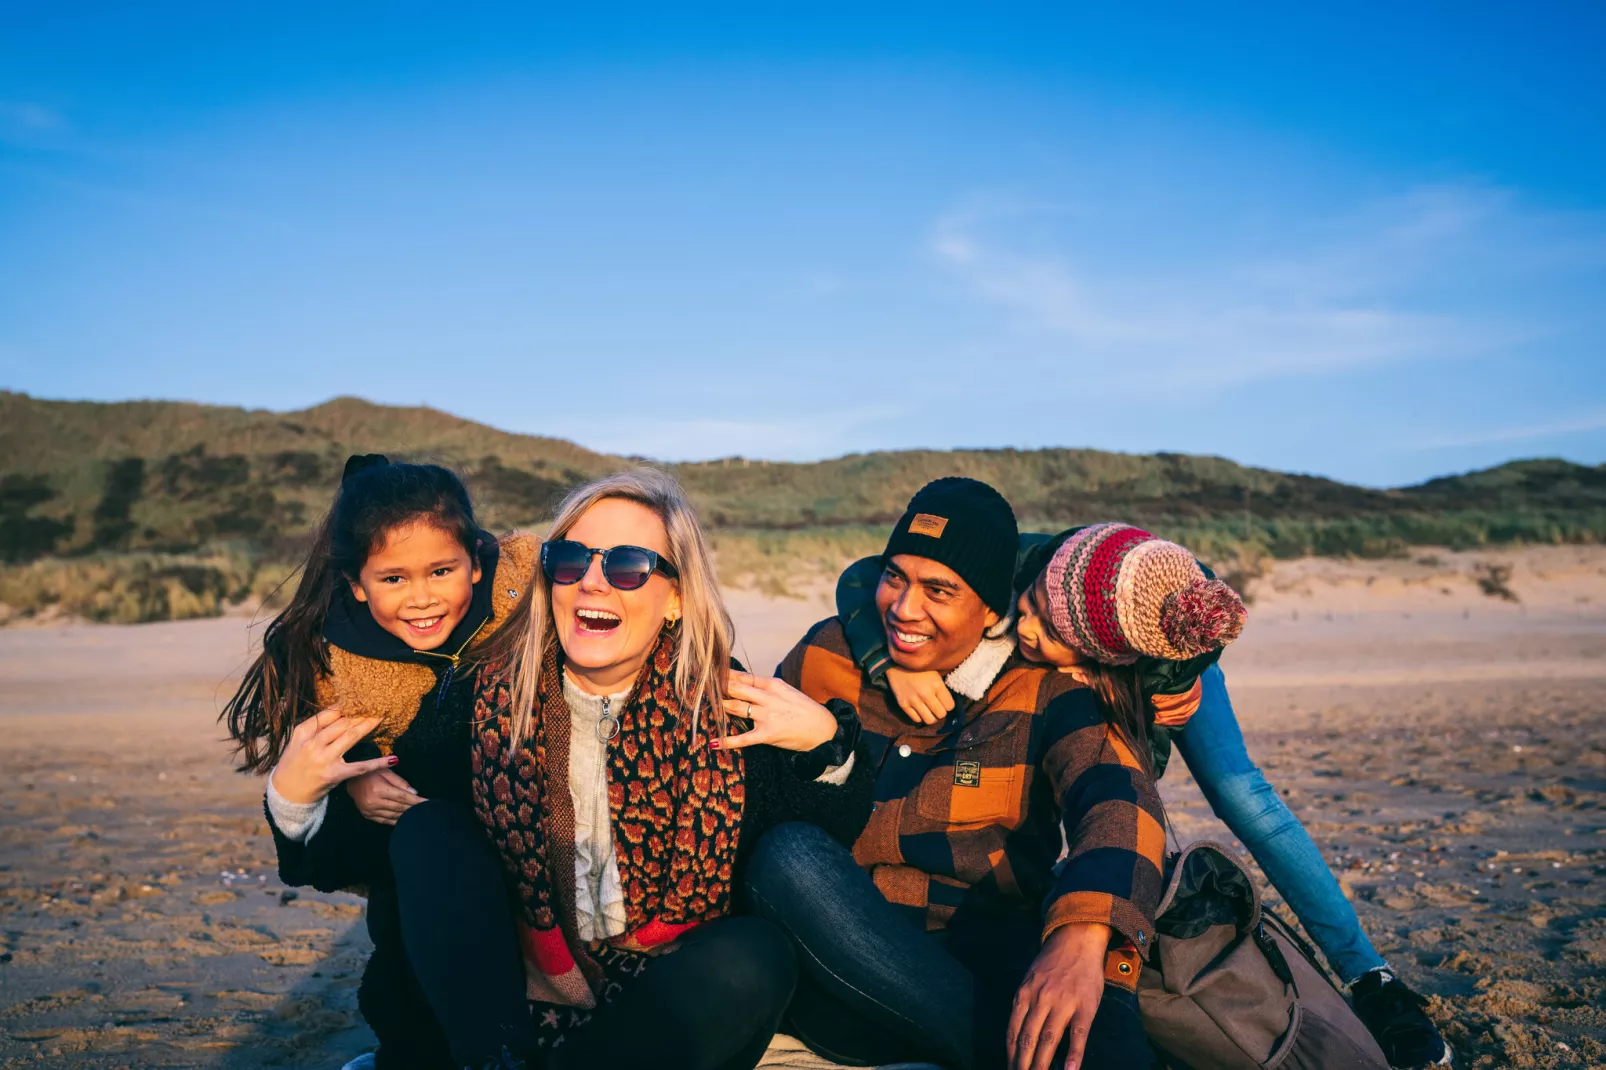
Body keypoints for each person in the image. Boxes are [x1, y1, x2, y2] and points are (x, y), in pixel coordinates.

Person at [836, 523, 1452, 1070]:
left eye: (1048, 631)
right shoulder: (1026, 564)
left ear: (1098, 660)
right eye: (1030, 607)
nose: (1024, 626)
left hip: (1150, 660)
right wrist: (890, 666)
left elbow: (1130, 783)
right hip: (1099, 611)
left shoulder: (1166, 669)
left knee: (1243, 798)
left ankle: (1373, 980)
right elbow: (862, 577)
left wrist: (1173, 686)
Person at [387, 469, 875, 1070]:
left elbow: (824, 838)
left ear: (675, 597)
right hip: (511, 1004)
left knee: (757, 954)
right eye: (569, 559)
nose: (592, 582)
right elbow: (371, 854)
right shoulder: (486, 695)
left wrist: (829, 745)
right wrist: (302, 798)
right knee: (429, 831)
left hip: (658, 1009)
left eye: (626, 566)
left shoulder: (723, 702)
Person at [747, 477, 1167, 1070]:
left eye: (938, 590)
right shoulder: (831, 652)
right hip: (845, 960)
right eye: (896, 576)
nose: (904, 608)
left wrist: (1084, 930)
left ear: (994, 608)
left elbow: (1118, 797)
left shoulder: (1044, 689)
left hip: (991, 948)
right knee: (789, 857)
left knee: (1088, 1018)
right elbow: (749, 788)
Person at [222, 455, 537, 1067]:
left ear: (475, 560)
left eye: (441, 570)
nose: (420, 598)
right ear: (358, 583)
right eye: (393, 579)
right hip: (435, 937)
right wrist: (310, 793)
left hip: (561, 913)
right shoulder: (337, 673)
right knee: (427, 832)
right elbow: (322, 861)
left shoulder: (528, 606)